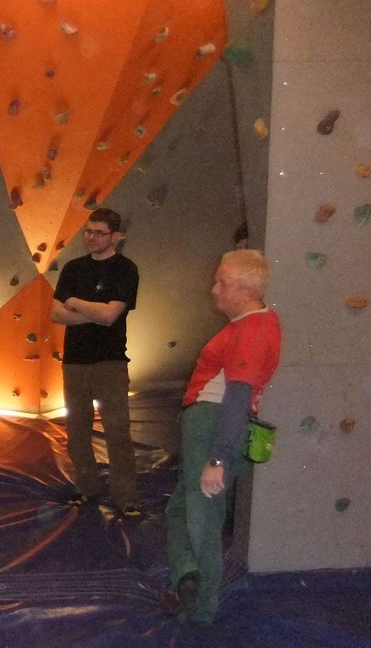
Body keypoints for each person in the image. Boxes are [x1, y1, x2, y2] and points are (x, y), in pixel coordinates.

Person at [163, 249, 281, 625]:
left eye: (222, 283)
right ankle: (187, 578)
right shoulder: (250, 322)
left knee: (202, 518)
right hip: (207, 424)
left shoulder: (251, 329)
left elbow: (238, 397)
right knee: (182, 509)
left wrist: (217, 458)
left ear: (246, 291)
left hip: (213, 426)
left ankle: (201, 608)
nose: (213, 290)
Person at [50, 208, 141, 518]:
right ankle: (86, 486)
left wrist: (75, 303)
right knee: (77, 431)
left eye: (98, 233)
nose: (90, 238)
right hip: (74, 362)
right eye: (88, 232)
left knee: (118, 431)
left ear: (115, 236)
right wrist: (93, 311)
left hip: (111, 362)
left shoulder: (126, 270)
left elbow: (110, 316)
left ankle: (126, 496)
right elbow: (55, 313)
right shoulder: (73, 268)